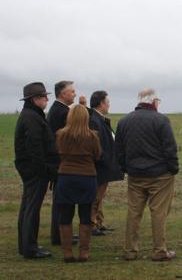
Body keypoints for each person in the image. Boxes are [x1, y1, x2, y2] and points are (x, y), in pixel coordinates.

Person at [116, 88, 179, 262]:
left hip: (135, 174)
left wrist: (126, 168)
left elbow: (119, 150)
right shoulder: (161, 120)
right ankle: (159, 250)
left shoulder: (124, 121)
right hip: (160, 175)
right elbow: (170, 148)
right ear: (154, 102)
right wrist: (173, 168)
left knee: (133, 212)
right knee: (158, 213)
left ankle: (129, 250)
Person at [14, 82, 59, 259]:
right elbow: (35, 148)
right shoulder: (32, 118)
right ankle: (30, 248)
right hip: (35, 171)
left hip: (30, 169)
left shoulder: (31, 115)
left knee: (27, 208)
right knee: (31, 209)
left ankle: (26, 245)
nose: (47, 99)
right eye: (43, 97)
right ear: (34, 99)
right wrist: (46, 170)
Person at [55, 105, 102, 262]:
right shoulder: (92, 136)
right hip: (87, 178)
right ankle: (84, 252)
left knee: (65, 216)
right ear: (86, 118)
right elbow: (98, 155)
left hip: (66, 177)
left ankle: (67, 252)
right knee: (85, 216)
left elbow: (57, 153)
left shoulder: (61, 135)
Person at [47, 80, 85, 245]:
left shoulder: (57, 109)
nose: (75, 94)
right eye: (72, 92)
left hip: (59, 162)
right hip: (62, 163)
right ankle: (59, 236)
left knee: (60, 202)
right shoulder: (61, 112)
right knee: (60, 203)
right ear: (63, 94)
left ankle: (60, 234)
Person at [88, 91, 123, 236]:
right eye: (107, 102)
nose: (109, 105)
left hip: (104, 166)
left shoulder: (100, 119)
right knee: (95, 197)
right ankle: (92, 225)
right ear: (101, 103)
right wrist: (106, 160)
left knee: (99, 198)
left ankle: (99, 222)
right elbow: (96, 147)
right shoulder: (94, 121)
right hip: (100, 167)